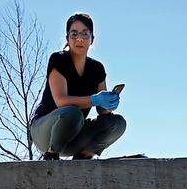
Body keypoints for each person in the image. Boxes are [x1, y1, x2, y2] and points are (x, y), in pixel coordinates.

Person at [30, 12, 126, 160]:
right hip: (45, 131)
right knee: (72, 113)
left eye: (85, 34)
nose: (79, 38)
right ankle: (50, 156)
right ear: (67, 38)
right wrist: (94, 99)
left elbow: (102, 111)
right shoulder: (58, 59)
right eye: (74, 34)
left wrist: (109, 102)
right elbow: (60, 101)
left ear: (92, 39)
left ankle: (83, 156)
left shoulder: (97, 68)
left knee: (117, 123)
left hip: (73, 135)